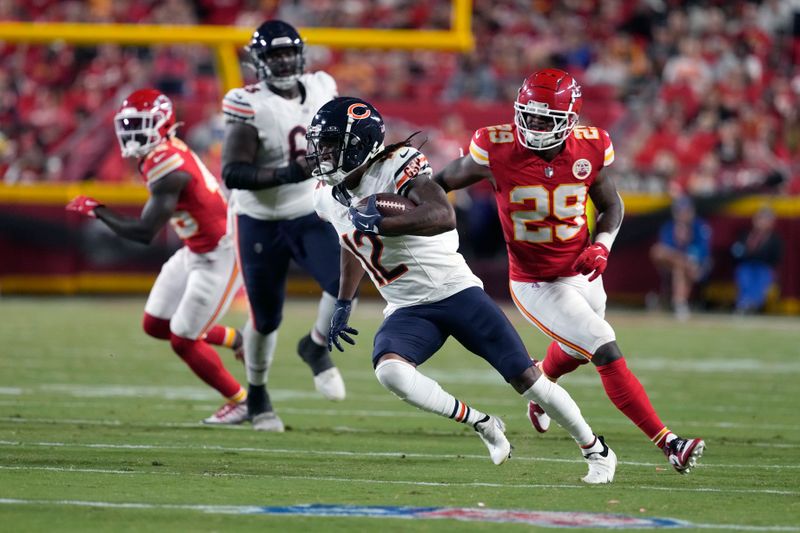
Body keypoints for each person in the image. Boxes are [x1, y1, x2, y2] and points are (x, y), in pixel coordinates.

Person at [310, 96, 616, 484]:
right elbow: (348, 241)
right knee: (391, 373)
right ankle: (483, 423)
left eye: (331, 145)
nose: (321, 154)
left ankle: (596, 450)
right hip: (407, 307)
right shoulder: (323, 192)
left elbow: (441, 215)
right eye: (320, 144)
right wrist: (343, 302)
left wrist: (384, 224)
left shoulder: (397, 166)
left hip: (456, 292)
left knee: (528, 381)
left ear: (358, 145)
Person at [433, 69, 705, 474]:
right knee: (603, 346)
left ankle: (542, 384)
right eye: (528, 115)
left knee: (579, 348)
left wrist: (602, 245)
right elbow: (439, 184)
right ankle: (669, 444)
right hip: (536, 282)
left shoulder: (590, 149)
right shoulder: (495, 148)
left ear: (570, 120)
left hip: (581, 268)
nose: (533, 125)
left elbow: (612, 206)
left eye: (545, 119)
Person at [66, 88, 247, 425]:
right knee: (155, 324)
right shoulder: (160, 152)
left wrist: (97, 209)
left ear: (161, 124)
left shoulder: (166, 164)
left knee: (183, 341)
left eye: (141, 124)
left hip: (220, 254)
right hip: (194, 247)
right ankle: (236, 338)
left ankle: (242, 400)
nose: (133, 132)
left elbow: (144, 233)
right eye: (129, 124)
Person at [221, 20, 345, 432]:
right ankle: (256, 394)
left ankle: (313, 345)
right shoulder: (247, 102)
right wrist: (285, 174)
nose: (284, 60)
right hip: (260, 219)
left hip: (310, 210)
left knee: (344, 280)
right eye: (274, 55)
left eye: (288, 52)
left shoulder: (323, 87)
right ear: (260, 61)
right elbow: (234, 172)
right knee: (265, 317)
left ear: (301, 53)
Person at [650, 196, 712, 320]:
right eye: (679, 211)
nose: (682, 214)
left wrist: (689, 257)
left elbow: (703, 252)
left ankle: (679, 303)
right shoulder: (669, 227)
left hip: (697, 265)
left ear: (691, 211)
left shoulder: (700, 227)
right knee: (664, 255)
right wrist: (680, 248)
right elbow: (663, 251)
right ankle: (680, 304)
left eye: (685, 211)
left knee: (681, 268)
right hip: (679, 264)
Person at [731, 207, 783, 314]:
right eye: (760, 218)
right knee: (744, 273)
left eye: (765, 219)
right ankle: (744, 302)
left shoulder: (775, 239)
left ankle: (753, 303)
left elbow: (776, 258)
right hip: (746, 265)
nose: (761, 222)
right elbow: (736, 251)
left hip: (764, 267)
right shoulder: (745, 234)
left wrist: (754, 254)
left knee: (762, 275)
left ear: (771, 222)